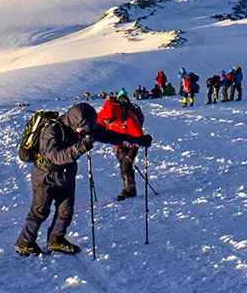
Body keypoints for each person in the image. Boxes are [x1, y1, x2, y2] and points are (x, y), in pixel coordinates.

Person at [15, 102, 152, 256]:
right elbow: (55, 156)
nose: (84, 133)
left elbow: (110, 136)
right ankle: (24, 242)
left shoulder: (86, 126)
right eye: (81, 130)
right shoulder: (52, 130)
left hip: (66, 174)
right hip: (45, 175)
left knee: (66, 210)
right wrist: (80, 147)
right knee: (40, 211)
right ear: (75, 122)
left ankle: (56, 239)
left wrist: (138, 140)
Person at [97, 89, 146, 200]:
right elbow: (97, 128)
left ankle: (130, 190)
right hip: (118, 143)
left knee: (125, 166)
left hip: (132, 143)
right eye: (107, 121)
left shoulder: (128, 118)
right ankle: (129, 187)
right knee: (123, 166)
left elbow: (139, 136)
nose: (109, 122)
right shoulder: (103, 115)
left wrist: (136, 141)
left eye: (111, 120)